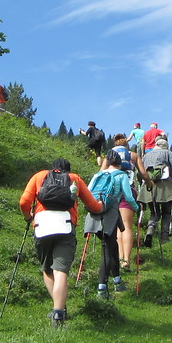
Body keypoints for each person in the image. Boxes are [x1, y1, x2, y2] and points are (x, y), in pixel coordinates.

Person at [18, 158, 103, 327]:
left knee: (47, 269)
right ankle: (58, 313)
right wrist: (101, 206)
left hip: (42, 227)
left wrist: (28, 217)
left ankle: (59, 307)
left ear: (53, 169)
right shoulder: (74, 179)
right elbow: (92, 205)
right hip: (65, 227)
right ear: (67, 170)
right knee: (61, 271)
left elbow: (23, 202)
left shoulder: (39, 176)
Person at [85, 154, 138, 298]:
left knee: (112, 246)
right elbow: (128, 197)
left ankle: (117, 281)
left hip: (95, 214)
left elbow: (87, 192)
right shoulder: (121, 176)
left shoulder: (98, 175)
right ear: (120, 164)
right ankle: (102, 289)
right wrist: (136, 207)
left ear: (107, 163)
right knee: (107, 250)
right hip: (110, 215)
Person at [104, 134, 151, 270]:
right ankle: (126, 260)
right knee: (127, 226)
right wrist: (149, 183)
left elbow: (102, 172)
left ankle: (119, 258)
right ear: (126, 145)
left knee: (117, 226)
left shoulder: (109, 156)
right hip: (128, 191)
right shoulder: (133, 155)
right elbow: (143, 173)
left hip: (112, 192)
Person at [138, 136, 172, 246]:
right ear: (166, 146)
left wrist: (142, 183)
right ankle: (164, 237)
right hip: (166, 185)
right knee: (166, 213)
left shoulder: (146, 156)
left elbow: (139, 171)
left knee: (154, 212)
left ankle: (150, 230)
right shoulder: (168, 153)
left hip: (150, 185)